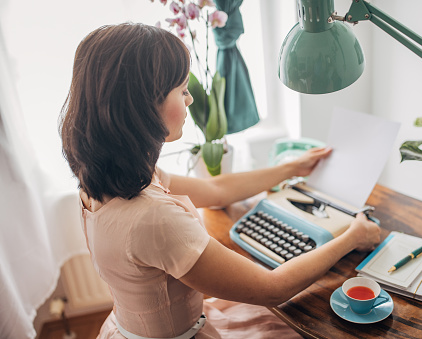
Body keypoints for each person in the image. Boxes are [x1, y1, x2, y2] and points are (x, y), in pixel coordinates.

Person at [59, 23, 381, 339]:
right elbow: (272, 289)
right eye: (182, 90)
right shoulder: (153, 218)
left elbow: (214, 190)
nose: (189, 100)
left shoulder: (103, 177)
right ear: (144, 104)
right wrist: (352, 236)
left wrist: (291, 168)